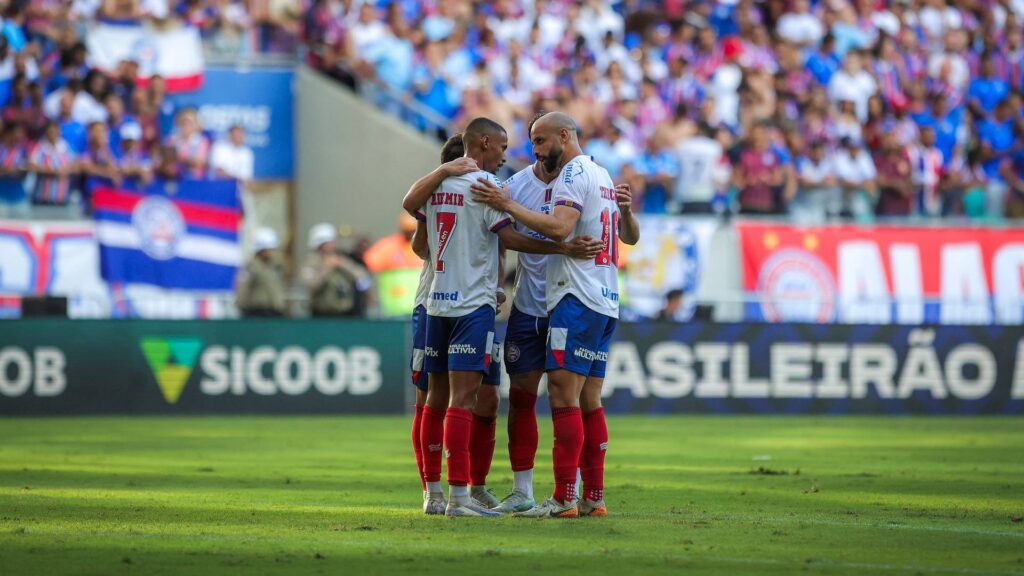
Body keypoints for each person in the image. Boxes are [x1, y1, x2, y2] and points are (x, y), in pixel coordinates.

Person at [471, 112, 640, 518]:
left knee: (570, 397)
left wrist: (626, 213)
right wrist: (496, 281)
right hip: (536, 303)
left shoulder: (574, 175)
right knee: (535, 397)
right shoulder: (535, 181)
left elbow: (570, 230)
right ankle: (536, 491)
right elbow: (500, 235)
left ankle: (568, 494)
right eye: (532, 143)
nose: (535, 150)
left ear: (564, 136)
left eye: (541, 141)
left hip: (570, 300)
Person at [300, 223, 372, 318]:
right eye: (327, 243)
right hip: (322, 313)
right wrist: (325, 269)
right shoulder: (312, 263)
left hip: (346, 313)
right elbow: (310, 285)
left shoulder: (342, 258)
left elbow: (364, 279)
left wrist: (345, 266)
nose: (332, 246)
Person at [235, 227, 287, 317]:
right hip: (256, 312)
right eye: (268, 248)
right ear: (260, 249)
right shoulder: (250, 267)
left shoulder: (275, 266)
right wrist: (243, 307)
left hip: (274, 311)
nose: (270, 252)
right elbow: (242, 290)